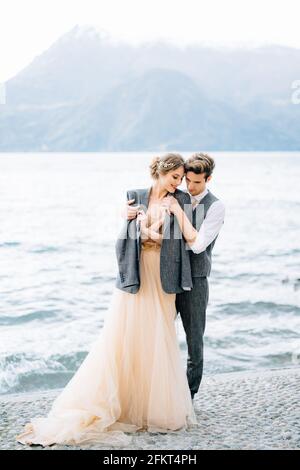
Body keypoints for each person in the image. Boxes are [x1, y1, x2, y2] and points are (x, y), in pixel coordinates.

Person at [16, 153, 198, 448]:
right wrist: (132, 224)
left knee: (158, 337)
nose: (179, 183)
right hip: (135, 275)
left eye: (181, 178)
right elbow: (124, 236)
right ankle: (123, 404)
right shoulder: (134, 196)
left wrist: (157, 223)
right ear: (161, 173)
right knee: (123, 337)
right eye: (175, 177)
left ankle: (155, 408)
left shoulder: (181, 201)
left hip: (164, 278)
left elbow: (181, 241)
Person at [127, 153, 225, 400]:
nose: (190, 187)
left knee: (194, 342)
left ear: (209, 179)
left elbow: (197, 245)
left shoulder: (215, 206)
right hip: (168, 276)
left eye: (197, 183)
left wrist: (177, 214)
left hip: (196, 280)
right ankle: (157, 393)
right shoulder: (175, 197)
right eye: (187, 181)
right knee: (159, 336)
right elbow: (146, 199)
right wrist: (125, 212)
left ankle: (188, 397)